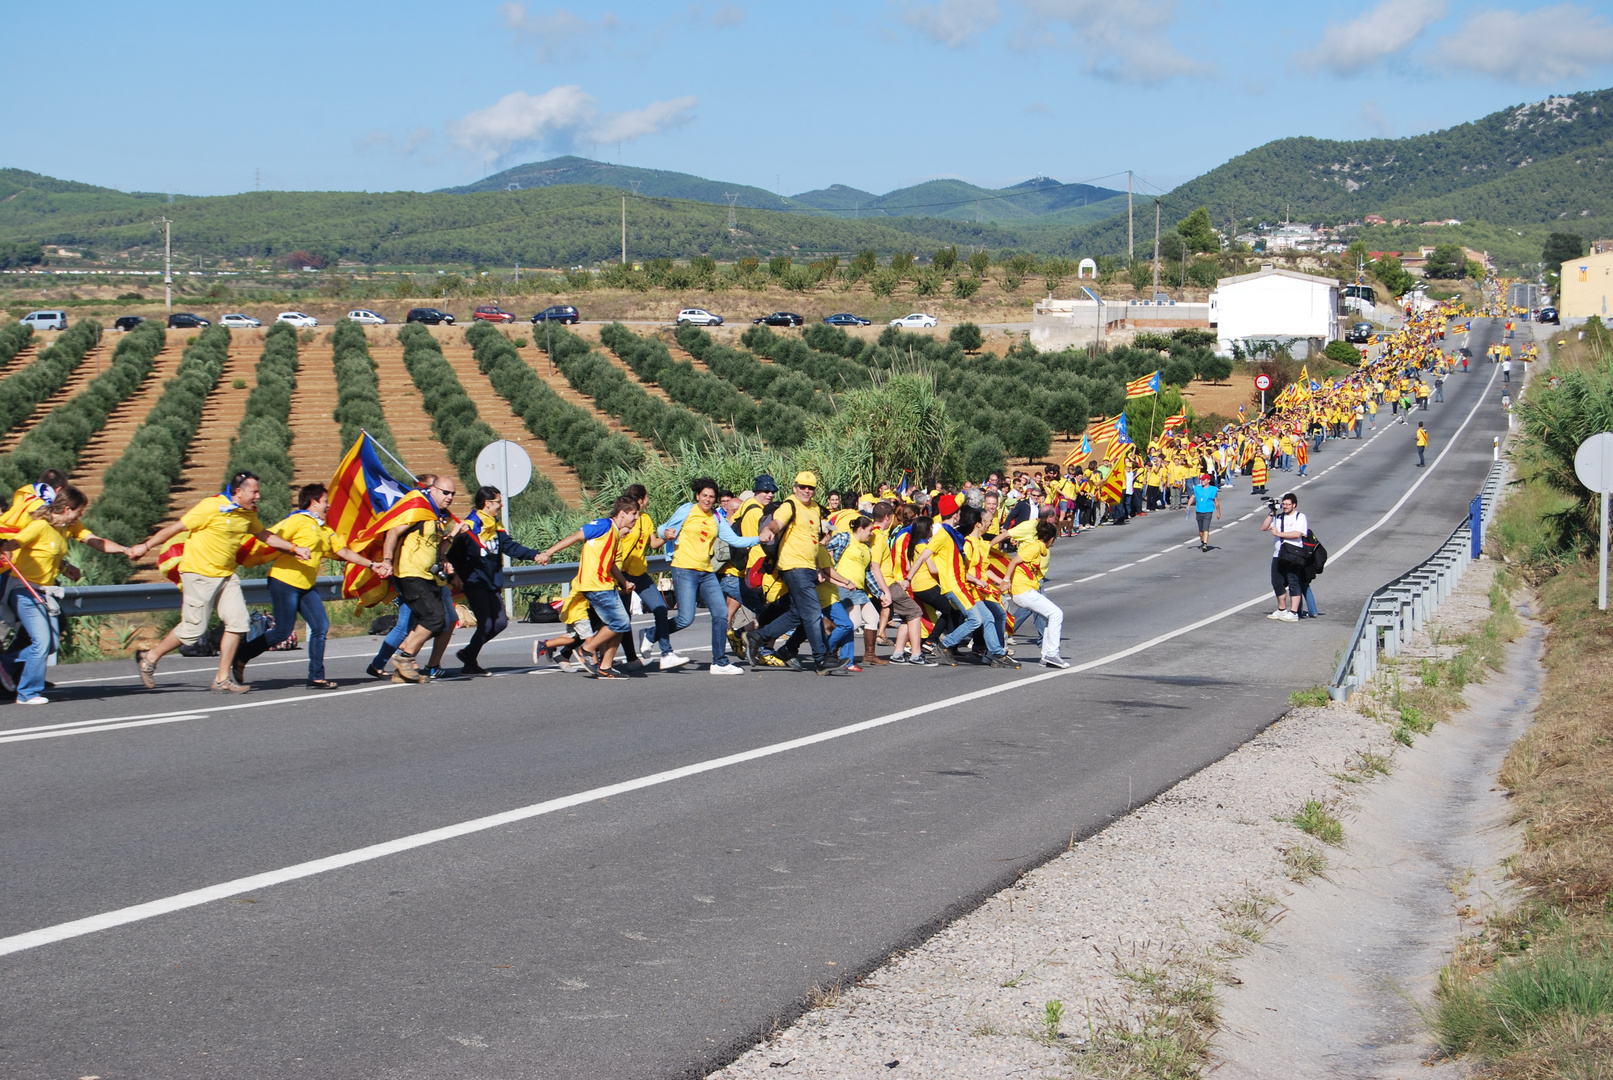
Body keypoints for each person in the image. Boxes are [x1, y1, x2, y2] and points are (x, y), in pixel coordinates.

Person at [135, 471, 311, 693]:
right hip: (198, 573)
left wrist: (294, 549)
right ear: (238, 492)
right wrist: (146, 546)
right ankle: (149, 659)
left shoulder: (248, 513)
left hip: (226, 575)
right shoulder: (210, 506)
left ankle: (221, 678)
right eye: (254, 492)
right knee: (193, 630)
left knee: (239, 623)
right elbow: (176, 528)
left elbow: (264, 535)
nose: (258, 496)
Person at [234, 483, 381, 689]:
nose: (328, 505)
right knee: (282, 632)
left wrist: (373, 564)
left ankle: (316, 676)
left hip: (306, 586)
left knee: (320, 626)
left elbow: (343, 552)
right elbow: (271, 538)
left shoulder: (325, 529)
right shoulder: (297, 520)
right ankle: (241, 656)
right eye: (325, 501)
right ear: (314, 502)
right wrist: (292, 549)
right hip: (284, 581)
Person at [0, 485, 137, 703]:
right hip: (24, 590)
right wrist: (6, 547)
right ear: (66, 509)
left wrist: (124, 549)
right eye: (79, 511)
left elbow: (92, 541)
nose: (81, 516)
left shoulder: (64, 528)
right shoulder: (39, 526)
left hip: (43, 591)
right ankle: (27, 693)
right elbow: (14, 542)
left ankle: (5, 663)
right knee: (41, 642)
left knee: (51, 643)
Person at [654, 478, 760, 674]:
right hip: (684, 568)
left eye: (712, 497)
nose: (708, 500)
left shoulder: (716, 518)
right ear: (697, 496)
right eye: (705, 496)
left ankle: (719, 662)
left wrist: (759, 539)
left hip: (706, 571)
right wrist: (666, 533)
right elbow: (663, 529)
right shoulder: (687, 510)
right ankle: (651, 633)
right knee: (686, 618)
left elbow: (734, 540)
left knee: (720, 614)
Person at [535, 495, 641, 678]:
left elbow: (611, 564)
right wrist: (548, 552)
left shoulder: (615, 533)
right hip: (594, 584)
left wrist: (623, 582)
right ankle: (587, 649)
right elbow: (575, 537)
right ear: (622, 513)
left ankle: (605, 667)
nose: (636, 518)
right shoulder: (603, 525)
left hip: (605, 584)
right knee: (621, 622)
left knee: (619, 625)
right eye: (634, 514)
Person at [378, 473, 466, 683]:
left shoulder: (435, 515)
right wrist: (387, 561)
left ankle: (402, 672)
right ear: (433, 490)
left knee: (440, 620)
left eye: (453, 494)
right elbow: (392, 533)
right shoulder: (417, 509)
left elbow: (436, 548)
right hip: (410, 574)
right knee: (434, 618)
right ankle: (404, 656)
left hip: (428, 576)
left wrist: (453, 536)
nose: (450, 497)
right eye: (445, 492)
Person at [749, 472, 838, 673]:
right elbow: (778, 522)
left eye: (811, 487)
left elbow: (813, 541)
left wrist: (817, 568)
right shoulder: (790, 505)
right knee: (814, 612)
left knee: (799, 613)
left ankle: (758, 636)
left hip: (807, 567)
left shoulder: (815, 508)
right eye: (803, 487)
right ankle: (821, 658)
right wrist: (769, 530)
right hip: (793, 565)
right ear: (795, 487)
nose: (807, 490)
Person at [449, 485, 542, 675]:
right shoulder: (470, 525)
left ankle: (468, 653)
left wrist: (535, 555)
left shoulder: (495, 525)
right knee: (486, 623)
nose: (500, 505)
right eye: (498, 502)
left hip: (491, 581)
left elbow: (510, 547)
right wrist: (455, 576)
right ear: (487, 503)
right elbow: (453, 555)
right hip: (474, 581)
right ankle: (470, 661)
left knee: (499, 623)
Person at [1003, 519, 1066, 668]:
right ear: (1051, 539)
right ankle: (1051, 654)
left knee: (1047, 616)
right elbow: (1014, 561)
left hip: (1026, 589)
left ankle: (1046, 655)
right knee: (1056, 614)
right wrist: (1006, 580)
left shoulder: (1038, 548)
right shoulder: (1034, 548)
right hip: (1022, 591)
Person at [1261, 492, 1308, 623]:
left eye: (1288, 504)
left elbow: (1298, 533)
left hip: (1293, 554)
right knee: (1277, 582)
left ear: (1294, 505)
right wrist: (1271, 513)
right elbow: (1264, 527)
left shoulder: (1300, 517)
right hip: (1278, 554)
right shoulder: (1279, 517)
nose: (1285, 507)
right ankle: (1282, 609)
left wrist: (1279, 533)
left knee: (1293, 582)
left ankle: (1294, 612)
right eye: (1284, 504)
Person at [1190, 472, 1220, 552]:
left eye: (1204, 480)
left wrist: (1218, 512)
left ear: (1208, 481)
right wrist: (1188, 506)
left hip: (1208, 511)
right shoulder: (1197, 488)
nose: (1202, 481)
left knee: (1206, 528)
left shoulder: (1213, 490)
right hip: (1199, 511)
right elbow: (1192, 497)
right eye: (1202, 480)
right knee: (1201, 529)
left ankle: (1205, 544)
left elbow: (1216, 502)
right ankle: (1203, 541)